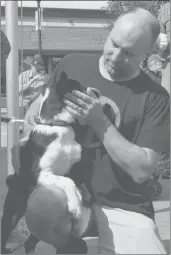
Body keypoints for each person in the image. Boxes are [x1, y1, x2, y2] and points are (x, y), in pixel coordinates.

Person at [13, 8, 169, 254]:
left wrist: (99, 122)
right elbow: (41, 106)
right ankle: (66, 245)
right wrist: (27, 137)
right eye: (113, 44)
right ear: (109, 32)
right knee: (43, 208)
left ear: (147, 54)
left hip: (124, 203)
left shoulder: (155, 96)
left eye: (128, 53)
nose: (115, 57)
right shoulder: (71, 64)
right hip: (65, 192)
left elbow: (142, 170)